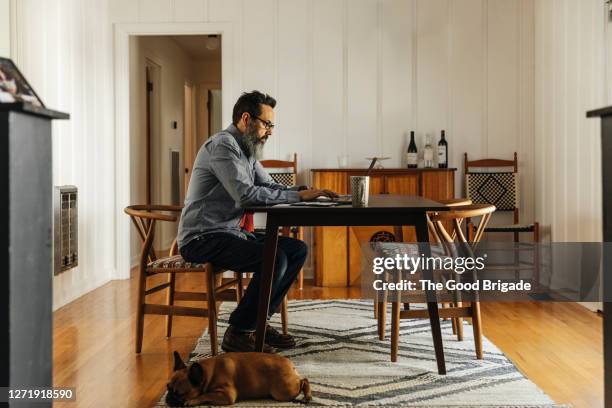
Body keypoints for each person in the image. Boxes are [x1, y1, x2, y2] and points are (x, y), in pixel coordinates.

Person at [178, 90, 337, 352]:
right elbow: (246, 195)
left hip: (230, 233)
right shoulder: (223, 146)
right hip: (202, 237)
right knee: (276, 258)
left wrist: (303, 191)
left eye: (272, 125)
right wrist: (299, 196)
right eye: (267, 124)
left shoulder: (247, 151)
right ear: (246, 119)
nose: (270, 131)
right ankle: (239, 332)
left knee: (297, 250)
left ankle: (258, 322)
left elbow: (270, 186)